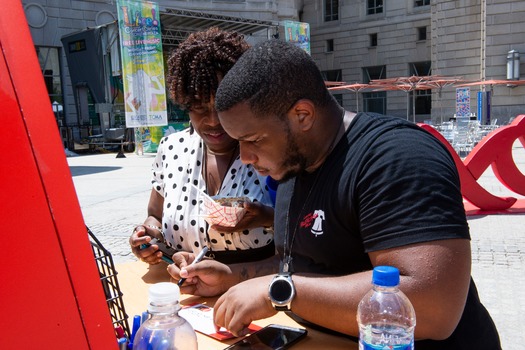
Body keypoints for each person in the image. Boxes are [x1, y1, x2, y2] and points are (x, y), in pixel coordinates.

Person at [170, 40, 501, 349]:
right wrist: (232, 277)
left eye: (253, 139)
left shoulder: (397, 157)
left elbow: (433, 305)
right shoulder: (294, 162)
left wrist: (279, 292)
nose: (244, 156)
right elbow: (303, 262)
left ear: (302, 115)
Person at [129, 28, 276, 266]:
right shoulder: (171, 149)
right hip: (184, 293)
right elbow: (154, 216)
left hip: (251, 293)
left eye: (222, 106)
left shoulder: (271, 150)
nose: (212, 121)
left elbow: (303, 227)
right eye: (198, 107)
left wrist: (267, 218)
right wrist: (146, 235)